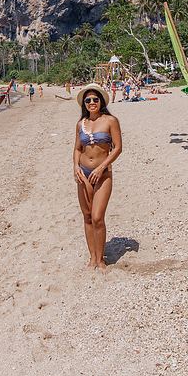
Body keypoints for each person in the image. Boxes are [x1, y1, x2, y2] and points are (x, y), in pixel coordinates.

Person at [72, 83, 122, 271]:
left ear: (101, 101)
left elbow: (118, 148)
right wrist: (75, 166)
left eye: (95, 99)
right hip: (83, 174)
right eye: (88, 100)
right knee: (87, 216)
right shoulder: (81, 124)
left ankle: (101, 259)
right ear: (84, 104)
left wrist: (101, 167)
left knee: (98, 217)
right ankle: (92, 258)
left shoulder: (110, 121)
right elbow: (77, 148)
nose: (92, 102)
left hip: (103, 174)